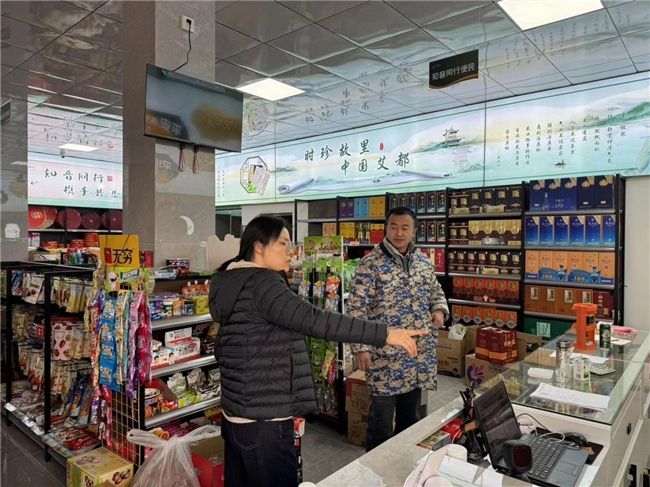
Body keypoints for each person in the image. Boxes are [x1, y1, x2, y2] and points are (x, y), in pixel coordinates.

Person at [209, 215, 428, 487]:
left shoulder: (234, 281)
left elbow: (227, 347)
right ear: (259, 246)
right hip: (264, 420)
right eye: (283, 243)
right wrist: (384, 334)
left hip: (237, 415)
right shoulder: (262, 283)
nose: (291, 251)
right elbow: (317, 320)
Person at [347, 206, 449, 451]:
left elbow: (436, 292)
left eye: (405, 227)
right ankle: (375, 469)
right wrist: (361, 348)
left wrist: (439, 309)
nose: (399, 233)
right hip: (385, 359)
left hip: (415, 356)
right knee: (381, 425)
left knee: (410, 421)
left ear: (414, 230)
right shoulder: (370, 264)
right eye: (394, 227)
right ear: (386, 228)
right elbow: (356, 309)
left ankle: (405, 467)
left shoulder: (423, 262)